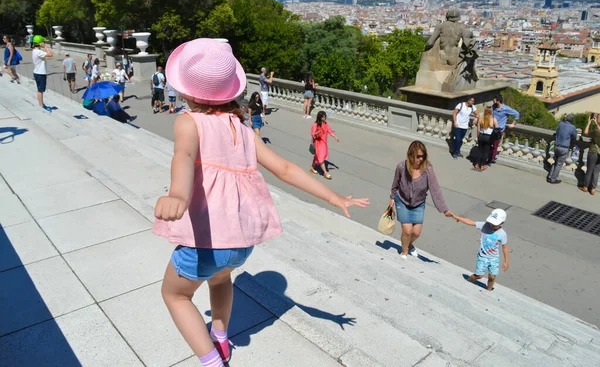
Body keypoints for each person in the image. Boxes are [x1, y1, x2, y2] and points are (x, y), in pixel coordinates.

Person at [152, 38, 369, 367]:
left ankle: (212, 361)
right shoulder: (243, 129)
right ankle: (222, 339)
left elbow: (183, 157)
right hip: (241, 243)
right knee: (222, 280)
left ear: (187, 90)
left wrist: (179, 195)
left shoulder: (188, 122)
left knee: (175, 294)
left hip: (206, 240)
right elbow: (284, 169)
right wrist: (332, 195)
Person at [389, 141, 455, 260]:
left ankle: (409, 244)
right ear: (410, 155)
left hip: (418, 204)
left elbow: (435, 190)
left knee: (416, 233)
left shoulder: (427, 169)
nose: (420, 159)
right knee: (407, 231)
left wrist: (444, 210)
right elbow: (395, 183)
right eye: (418, 156)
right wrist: (392, 197)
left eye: (423, 156)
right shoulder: (401, 167)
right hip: (402, 201)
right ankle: (404, 252)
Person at [454, 209, 509, 291]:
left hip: (494, 258)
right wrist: (458, 217)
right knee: (479, 276)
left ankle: (489, 290)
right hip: (482, 256)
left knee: (492, 277)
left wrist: (506, 261)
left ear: (502, 223)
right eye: (491, 223)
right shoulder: (485, 225)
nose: (492, 225)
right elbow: (471, 222)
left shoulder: (502, 234)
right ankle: (468, 281)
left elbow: (505, 247)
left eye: (495, 224)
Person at [489, 94, 520, 165]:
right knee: (489, 143)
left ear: (498, 101)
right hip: (491, 128)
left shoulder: (506, 108)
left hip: (499, 130)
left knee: (495, 145)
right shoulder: (493, 107)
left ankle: (491, 159)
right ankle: (491, 155)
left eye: (494, 100)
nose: (493, 101)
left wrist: (513, 124)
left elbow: (516, 114)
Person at [547, 114, 577, 185]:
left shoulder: (560, 124)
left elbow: (557, 131)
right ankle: (553, 179)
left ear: (566, 119)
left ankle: (550, 176)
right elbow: (574, 137)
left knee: (555, 162)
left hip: (557, 146)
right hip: (564, 148)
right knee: (559, 164)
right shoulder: (572, 127)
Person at [309, 111, 339, 180]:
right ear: (320, 117)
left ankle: (312, 168)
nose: (325, 117)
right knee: (321, 158)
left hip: (324, 143)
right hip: (318, 143)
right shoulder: (315, 124)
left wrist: (335, 137)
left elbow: (330, 131)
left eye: (325, 116)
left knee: (317, 156)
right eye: (324, 116)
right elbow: (313, 134)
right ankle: (325, 173)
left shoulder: (325, 124)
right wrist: (317, 133)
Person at [579, 113, 600, 195]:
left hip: (593, 151)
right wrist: (596, 124)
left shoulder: (596, 131)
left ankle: (585, 187)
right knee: (596, 171)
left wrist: (589, 123)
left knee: (590, 170)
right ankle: (593, 189)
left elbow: (585, 132)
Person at [31, 35, 53, 111]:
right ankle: (41, 105)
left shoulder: (34, 51)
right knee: (41, 90)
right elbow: (50, 54)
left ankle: (41, 103)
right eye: (43, 42)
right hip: (40, 73)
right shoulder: (38, 52)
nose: (44, 43)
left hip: (37, 72)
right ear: (40, 43)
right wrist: (45, 47)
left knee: (40, 89)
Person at [474, 106, 498, 170]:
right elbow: (497, 128)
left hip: (481, 135)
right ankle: (482, 165)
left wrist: (478, 137)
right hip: (488, 137)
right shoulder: (493, 119)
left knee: (480, 151)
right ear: (491, 112)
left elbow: (478, 129)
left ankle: (476, 164)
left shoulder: (481, 119)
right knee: (486, 152)